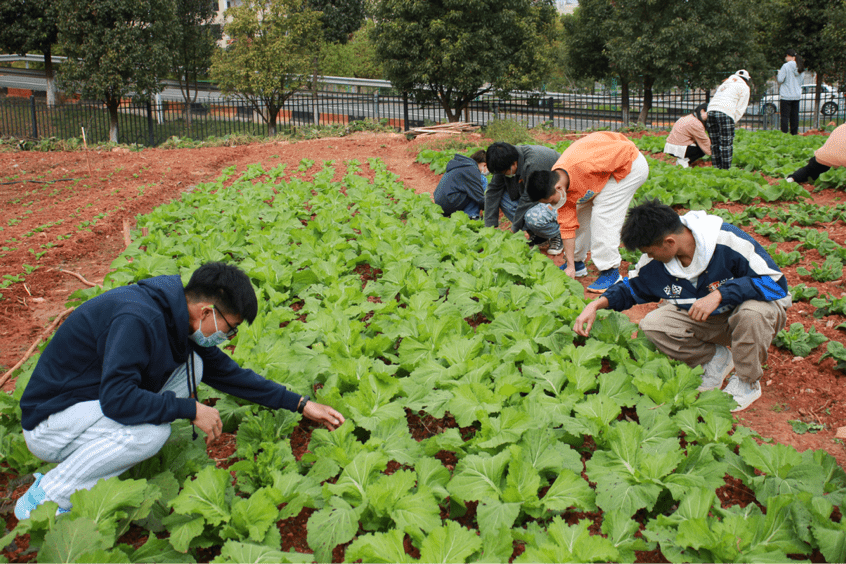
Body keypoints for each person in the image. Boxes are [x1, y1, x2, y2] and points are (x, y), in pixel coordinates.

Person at [14, 262, 345, 520]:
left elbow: (231, 376)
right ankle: (45, 497)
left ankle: (89, 462)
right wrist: (190, 410)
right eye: (229, 328)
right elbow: (118, 399)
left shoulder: (178, 321)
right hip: (50, 424)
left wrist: (301, 404)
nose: (228, 338)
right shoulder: (138, 317)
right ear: (206, 312)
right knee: (151, 434)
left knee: (196, 368)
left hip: (88, 407)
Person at [573, 199, 790, 412]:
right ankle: (717, 359)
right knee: (654, 325)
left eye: (650, 251)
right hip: (710, 320)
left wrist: (722, 294)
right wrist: (596, 304)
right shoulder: (657, 262)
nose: (648, 257)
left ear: (669, 242)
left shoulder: (728, 241)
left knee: (752, 313)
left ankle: (747, 381)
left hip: (751, 318)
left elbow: (776, 285)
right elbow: (632, 288)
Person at [525, 131, 649, 293]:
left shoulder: (584, 165)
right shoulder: (560, 182)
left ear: (558, 188)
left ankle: (610, 271)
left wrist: (607, 182)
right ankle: (576, 264)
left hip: (629, 165)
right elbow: (567, 226)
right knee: (581, 211)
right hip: (603, 174)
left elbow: (625, 148)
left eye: (552, 201)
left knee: (603, 213)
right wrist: (569, 264)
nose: (554, 205)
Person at [484, 142, 563, 254]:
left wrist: (514, 228)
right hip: (536, 195)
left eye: (504, 172)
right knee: (502, 198)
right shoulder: (504, 161)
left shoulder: (534, 163)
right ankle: (540, 234)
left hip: (558, 197)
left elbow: (528, 198)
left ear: (514, 163)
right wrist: (490, 226)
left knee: (534, 217)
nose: (503, 174)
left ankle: (557, 233)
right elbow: (493, 191)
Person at [706, 70, 752, 169]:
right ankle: (725, 170)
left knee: (714, 143)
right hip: (726, 112)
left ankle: (716, 168)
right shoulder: (744, 87)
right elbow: (741, 107)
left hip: (711, 110)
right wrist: (733, 120)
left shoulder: (726, 83)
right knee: (726, 143)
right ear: (747, 80)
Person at [433, 150, 488, 220]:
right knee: (482, 180)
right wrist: (492, 207)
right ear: (484, 165)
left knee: (471, 190)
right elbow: (479, 197)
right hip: (449, 202)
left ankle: (460, 215)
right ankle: (472, 216)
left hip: (441, 203)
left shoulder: (462, 165)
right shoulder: (472, 169)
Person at [663, 103, 711, 168]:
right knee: (701, 149)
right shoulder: (695, 123)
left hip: (670, 146)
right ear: (702, 111)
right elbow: (704, 141)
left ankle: (682, 160)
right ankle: (686, 160)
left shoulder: (689, 117)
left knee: (698, 145)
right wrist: (713, 154)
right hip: (679, 147)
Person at [776, 49, 805, 135]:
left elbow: (780, 79)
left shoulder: (785, 66)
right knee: (794, 116)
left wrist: (779, 73)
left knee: (785, 116)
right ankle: (794, 133)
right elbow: (801, 81)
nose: (785, 58)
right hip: (796, 95)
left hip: (786, 95)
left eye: (786, 56)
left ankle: (784, 133)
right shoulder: (800, 66)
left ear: (789, 56)